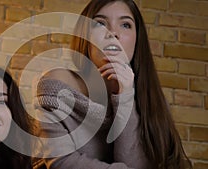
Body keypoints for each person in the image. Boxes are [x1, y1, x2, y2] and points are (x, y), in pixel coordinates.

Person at [32, 0, 192, 169]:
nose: (113, 33)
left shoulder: (153, 101)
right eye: (100, 23)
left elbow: (135, 164)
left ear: (137, 40)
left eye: (125, 25)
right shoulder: (57, 85)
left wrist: (125, 96)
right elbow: (60, 162)